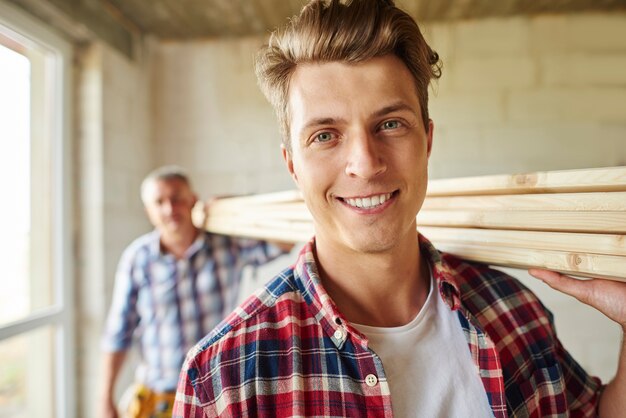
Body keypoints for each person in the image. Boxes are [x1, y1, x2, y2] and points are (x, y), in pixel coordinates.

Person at [173, 1, 626, 416]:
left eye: (390, 124)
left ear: (427, 141)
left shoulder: (514, 311)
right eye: (325, 135)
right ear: (292, 165)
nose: (365, 164)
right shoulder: (224, 379)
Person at [99, 166, 288, 418]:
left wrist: (234, 208)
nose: (169, 208)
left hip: (214, 390)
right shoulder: (137, 259)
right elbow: (118, 332)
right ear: (149, 211)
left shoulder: (227, 245)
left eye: (177, 198)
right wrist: (105, 397)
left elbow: (283, 241)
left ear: (192, 200)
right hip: (158, 395)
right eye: (159, 202)